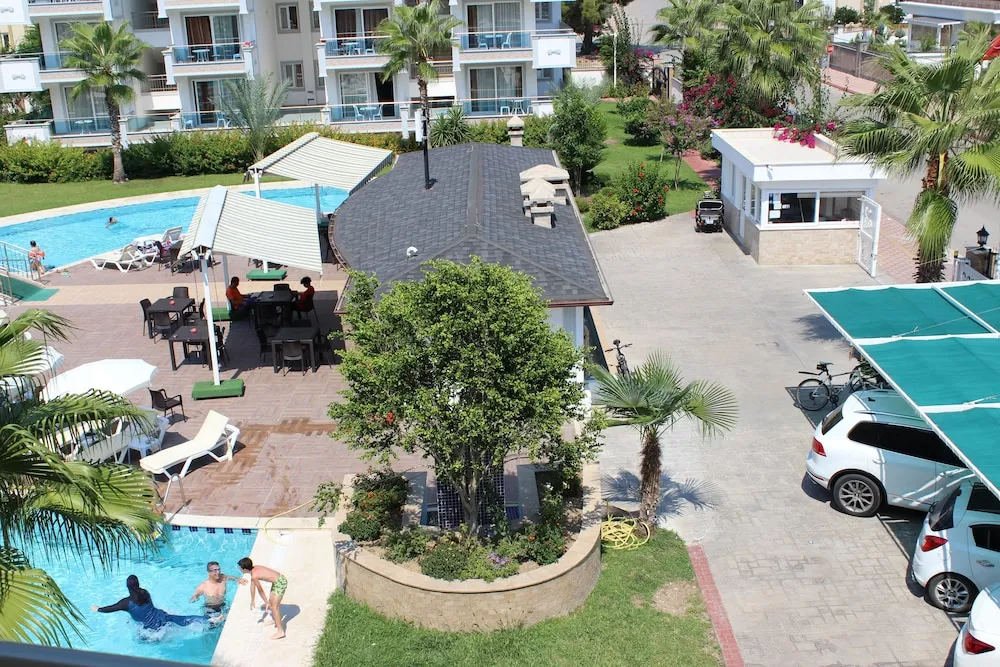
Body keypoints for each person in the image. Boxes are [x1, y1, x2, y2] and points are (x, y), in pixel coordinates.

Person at [91, 575, 219, 631]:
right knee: (184, 619)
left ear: (127, 586)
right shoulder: (145, 593)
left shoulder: (125, 603)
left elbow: (111, 608)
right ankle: (210, 619)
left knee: (142, 640)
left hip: (152, 629)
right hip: (163, 617)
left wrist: (98, 609)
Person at [238, 557, 287, 640]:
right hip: (278, 581)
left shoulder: (254, 575)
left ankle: (280, 632)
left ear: (245, 569)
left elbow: (260, 590)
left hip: (280, 583)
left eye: (240, 568)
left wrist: (266, 602)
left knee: (274, 607)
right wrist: (252, 600)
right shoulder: (254, 569)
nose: (239, 569)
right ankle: (276, 619)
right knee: (272, 603)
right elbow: (252, 586)